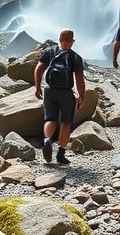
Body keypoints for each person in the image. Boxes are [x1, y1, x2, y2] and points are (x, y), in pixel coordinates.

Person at [34, 29, 86, 165]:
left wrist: (37, 87)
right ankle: (61, 155)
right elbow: (79, 79)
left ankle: (47, 140)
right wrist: (81, 96)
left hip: (50, 90)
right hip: (66, 93)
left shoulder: (50, 51)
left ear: (60, 39)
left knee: (50, 118)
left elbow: (39, 68)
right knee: (66, 123)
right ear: (72, 41)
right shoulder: (75, 57)